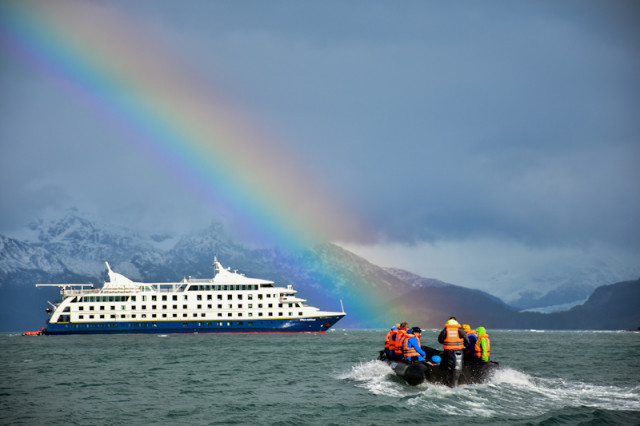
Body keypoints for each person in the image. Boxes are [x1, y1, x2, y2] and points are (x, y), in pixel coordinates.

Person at [437, 317, 470, 387]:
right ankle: (459, 382)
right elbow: (467, 340)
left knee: (445, 366)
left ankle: (445, 381)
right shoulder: (460, 330)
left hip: (448, 352)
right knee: (459, 367)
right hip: (459, 352)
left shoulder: (445, 330)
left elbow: (440, 340)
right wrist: (464, 346)